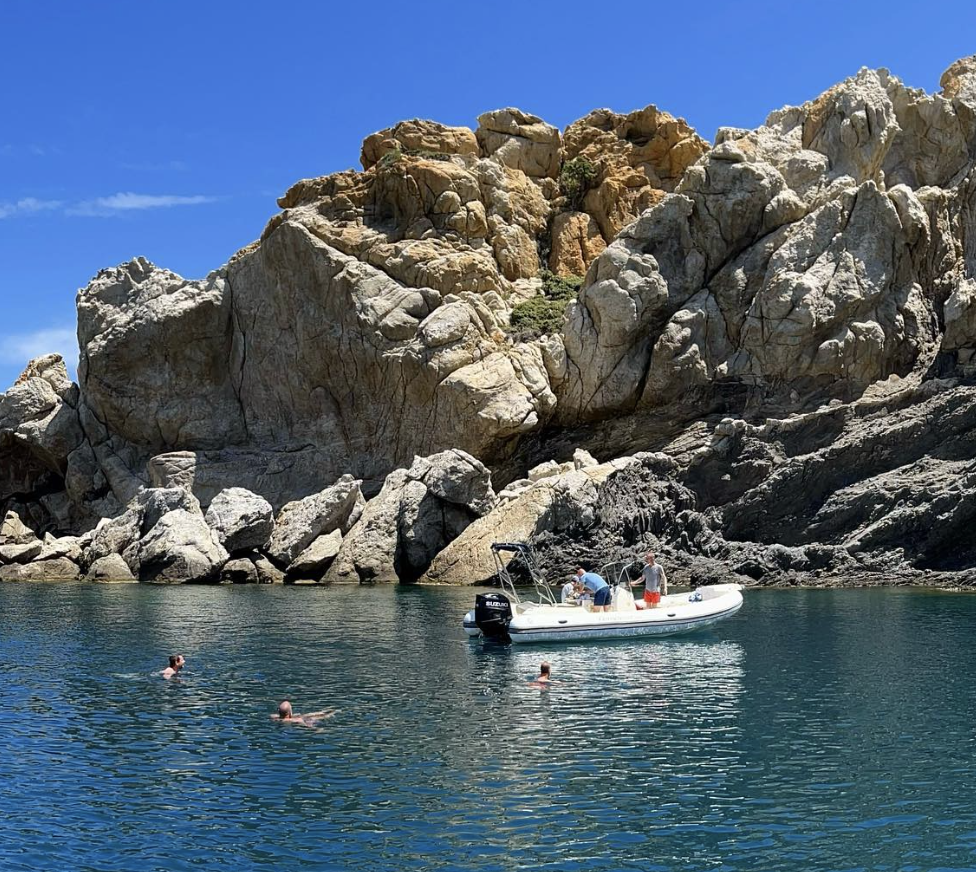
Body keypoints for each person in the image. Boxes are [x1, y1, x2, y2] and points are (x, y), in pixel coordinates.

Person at [272, 700, 337, 726]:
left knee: (307, 715)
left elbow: (278, 715)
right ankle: (332, 712)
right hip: (305, 719)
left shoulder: (275, 718)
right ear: (289, 712)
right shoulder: (297, 720)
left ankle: (326, 711)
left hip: (295, 717)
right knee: (322, 716)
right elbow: (306, 724)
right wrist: (317, 729)